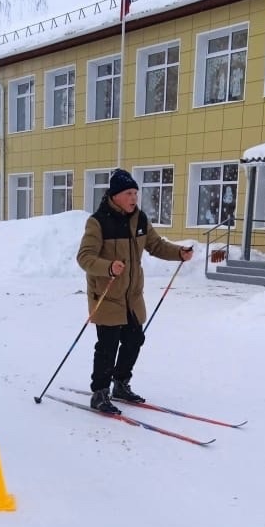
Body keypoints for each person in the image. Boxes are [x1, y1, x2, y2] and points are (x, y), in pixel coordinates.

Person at [77, 168, 193, 414]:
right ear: (116, 195)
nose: (134, 198)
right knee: (107, 346)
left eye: (135, 193)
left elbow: (156, 245)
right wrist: (108, 267)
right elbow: (85, 257)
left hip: (132, 296)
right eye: (129, 193)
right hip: (107, 294)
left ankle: (120, 384)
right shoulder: (98, 222)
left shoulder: (139, 219)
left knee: (134, 340)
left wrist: (179, 253)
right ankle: (99, 393)